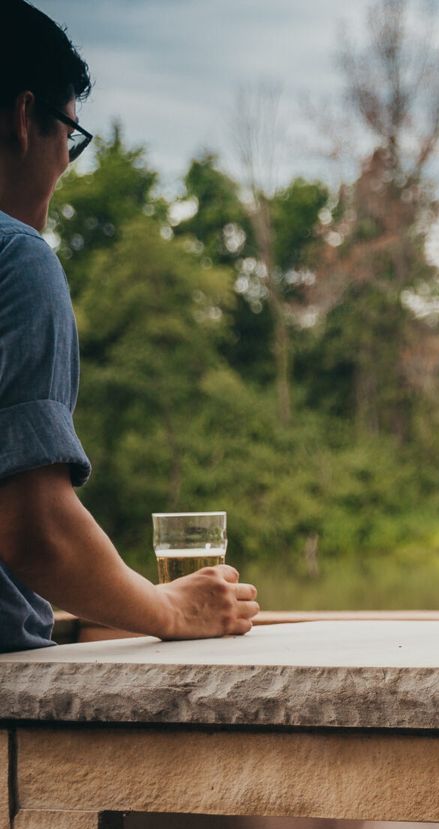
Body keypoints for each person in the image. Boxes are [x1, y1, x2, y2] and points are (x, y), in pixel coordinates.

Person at [0, 0, 257, 652]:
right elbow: (34, 528)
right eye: (71, 135)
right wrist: (171, 609)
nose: (65, 161)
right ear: (26, 119)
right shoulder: (15, 257)